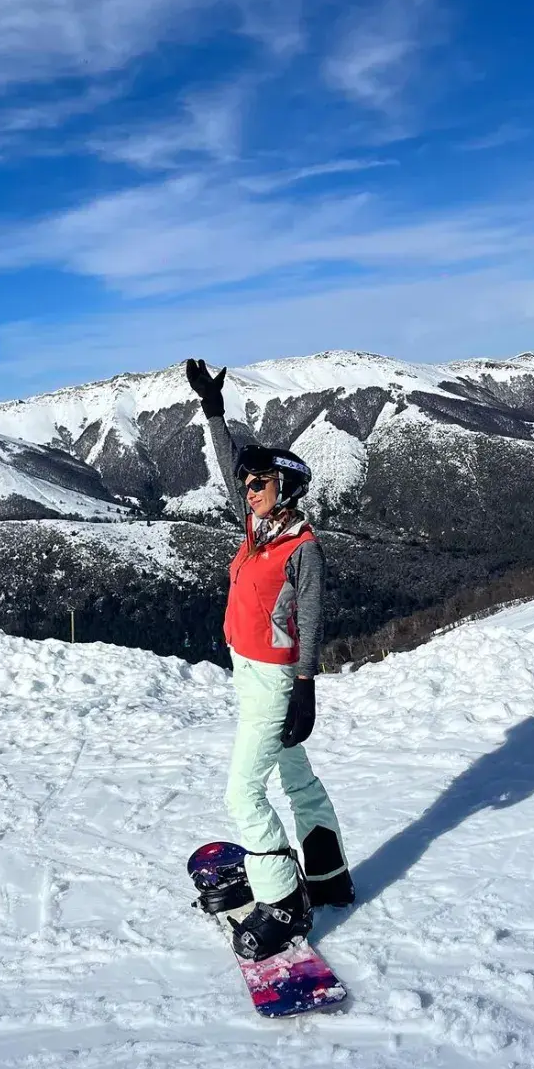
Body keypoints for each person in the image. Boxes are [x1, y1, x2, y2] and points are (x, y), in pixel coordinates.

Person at [186, 358, 354, 961]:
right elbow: (229, 465)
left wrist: (305, 685)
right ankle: (328, 874)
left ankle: (284, 904)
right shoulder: (257, 529)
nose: (248, 489)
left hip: (277, 678)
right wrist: (213, 410)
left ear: (284, 490)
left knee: (243, 793)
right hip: (247, 669)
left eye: (259, 483)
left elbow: (310, 619)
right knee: (293, 775)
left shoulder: (302, 549)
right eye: (248, 483)